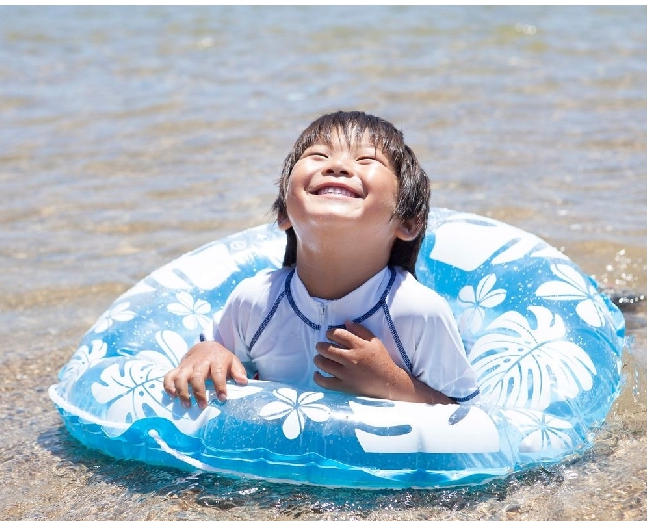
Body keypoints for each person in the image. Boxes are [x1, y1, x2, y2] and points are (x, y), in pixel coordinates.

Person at [163, 111, 479, 409]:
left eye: (366, 159)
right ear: (284, 213)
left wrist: (391, 383)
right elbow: (215, 350)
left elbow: (467, 415)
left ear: (408, 222)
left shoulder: (417, 313)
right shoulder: (255, 301)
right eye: (318, 156)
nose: (337, 166)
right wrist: (206, 352)